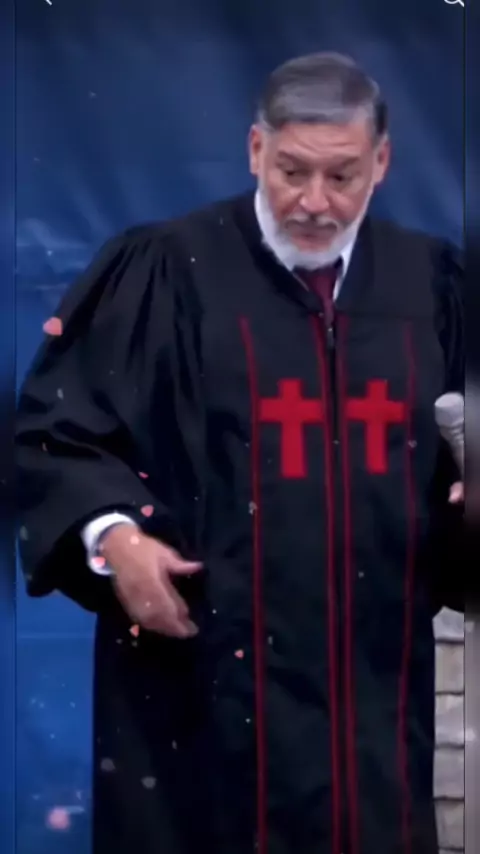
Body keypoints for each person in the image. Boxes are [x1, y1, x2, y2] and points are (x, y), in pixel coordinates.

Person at [16, 52, 467, 854]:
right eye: (292, 171)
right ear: (256, 149)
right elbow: (55, 435)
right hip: (203, 696)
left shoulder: (430, 285)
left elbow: (454, 476)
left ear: (382, 163)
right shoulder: (163, 272)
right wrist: (114, 538)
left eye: (342, 176)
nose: (315, 202)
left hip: (373, 704)